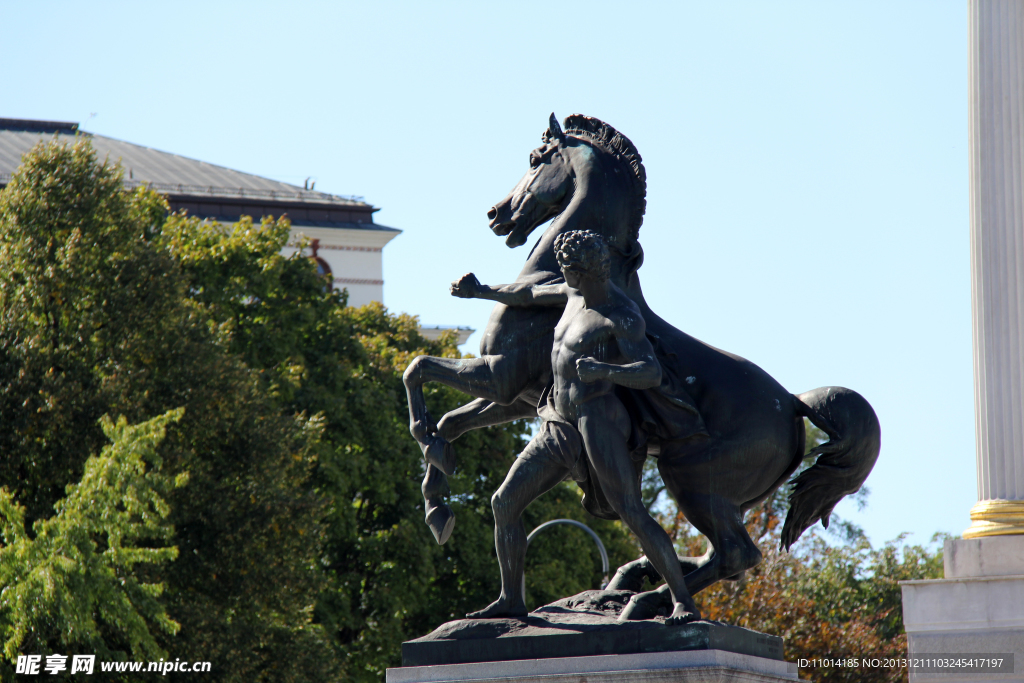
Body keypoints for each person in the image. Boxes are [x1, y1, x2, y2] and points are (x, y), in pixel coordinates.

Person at [451, 230, 701, 625]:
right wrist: (482, 291)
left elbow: (651, 372)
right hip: (558, 418)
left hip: (597, 420)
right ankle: (510, 599)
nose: (562, 276)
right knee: (504, 502)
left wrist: (605, 369)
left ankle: (683, 600)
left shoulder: (620, 316)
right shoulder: (572, 296)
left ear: (585, 271)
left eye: (568, 270)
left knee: (631, 510)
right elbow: (528, 296)